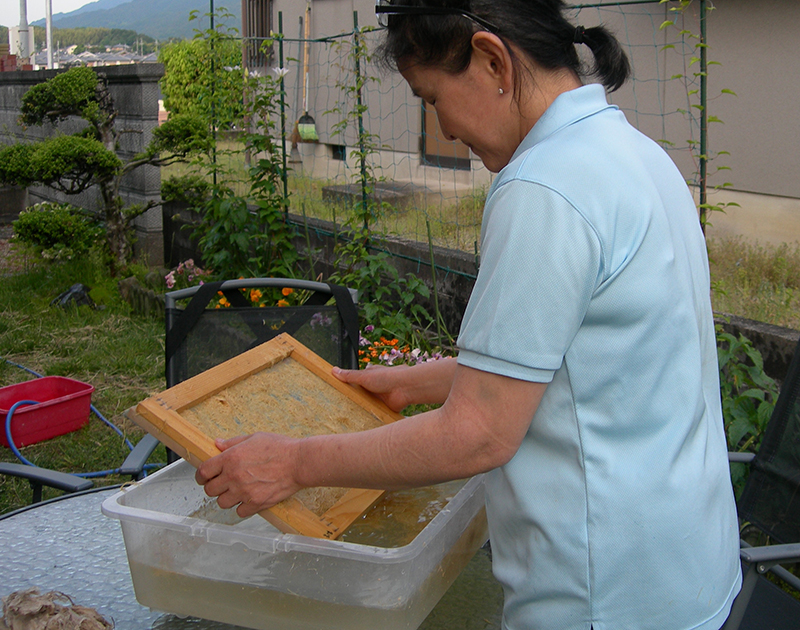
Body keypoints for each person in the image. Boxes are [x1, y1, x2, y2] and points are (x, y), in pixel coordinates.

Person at [196, 1, 742, 628]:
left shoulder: (546, 187)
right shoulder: (633, 153)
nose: (444, 128)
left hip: (605, 598)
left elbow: (479, 431)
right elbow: (591, 362)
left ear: (492, 60)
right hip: (688, 569)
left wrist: (292, 462)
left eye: (431, 97)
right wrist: (421, 380)